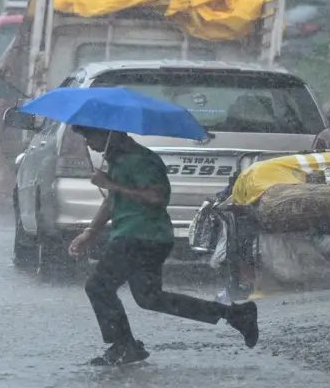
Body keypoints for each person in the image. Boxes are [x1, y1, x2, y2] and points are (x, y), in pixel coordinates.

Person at [67, 125, 259, 366]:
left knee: (98, 286)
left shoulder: (142, 160)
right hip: (142, 236)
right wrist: (91, 232)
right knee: (150, 298)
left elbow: (156, 198)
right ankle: (236, 315)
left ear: (111, 134)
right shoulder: (118, 159)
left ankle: (124, 345)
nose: (88, 143)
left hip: (141, 236)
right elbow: (114, 201)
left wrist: (111, 185)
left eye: (91, 136)